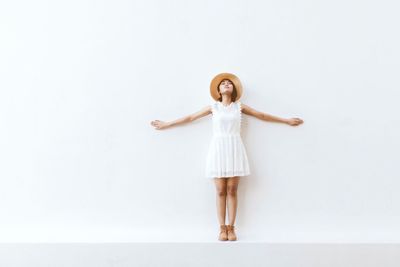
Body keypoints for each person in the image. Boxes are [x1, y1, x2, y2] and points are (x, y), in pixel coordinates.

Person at [150, 72, 304, 241]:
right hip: (218, 148)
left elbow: (262, 115)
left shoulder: (239, 107)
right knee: (220, 190)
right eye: (223, 83)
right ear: (218, 89)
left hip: (234, 147)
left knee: (232, 190)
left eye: (229, 83)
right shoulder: (213, 107)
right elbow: (191, 117)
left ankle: (232, 228)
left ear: (234, 89)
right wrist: (167, 123)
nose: (226, 84)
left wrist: (286, 120)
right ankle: (221, 228)